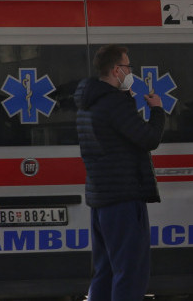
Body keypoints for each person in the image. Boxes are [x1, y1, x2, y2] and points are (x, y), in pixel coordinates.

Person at [74, 45, 165, 301]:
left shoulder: (87, 104)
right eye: (128, 67)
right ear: (116, 70)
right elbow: (148, 138)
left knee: (104, 271)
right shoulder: (115, 103)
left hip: (101, 200)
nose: (130, 72)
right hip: (124, 199)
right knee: (130, 272)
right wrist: (157, 110)